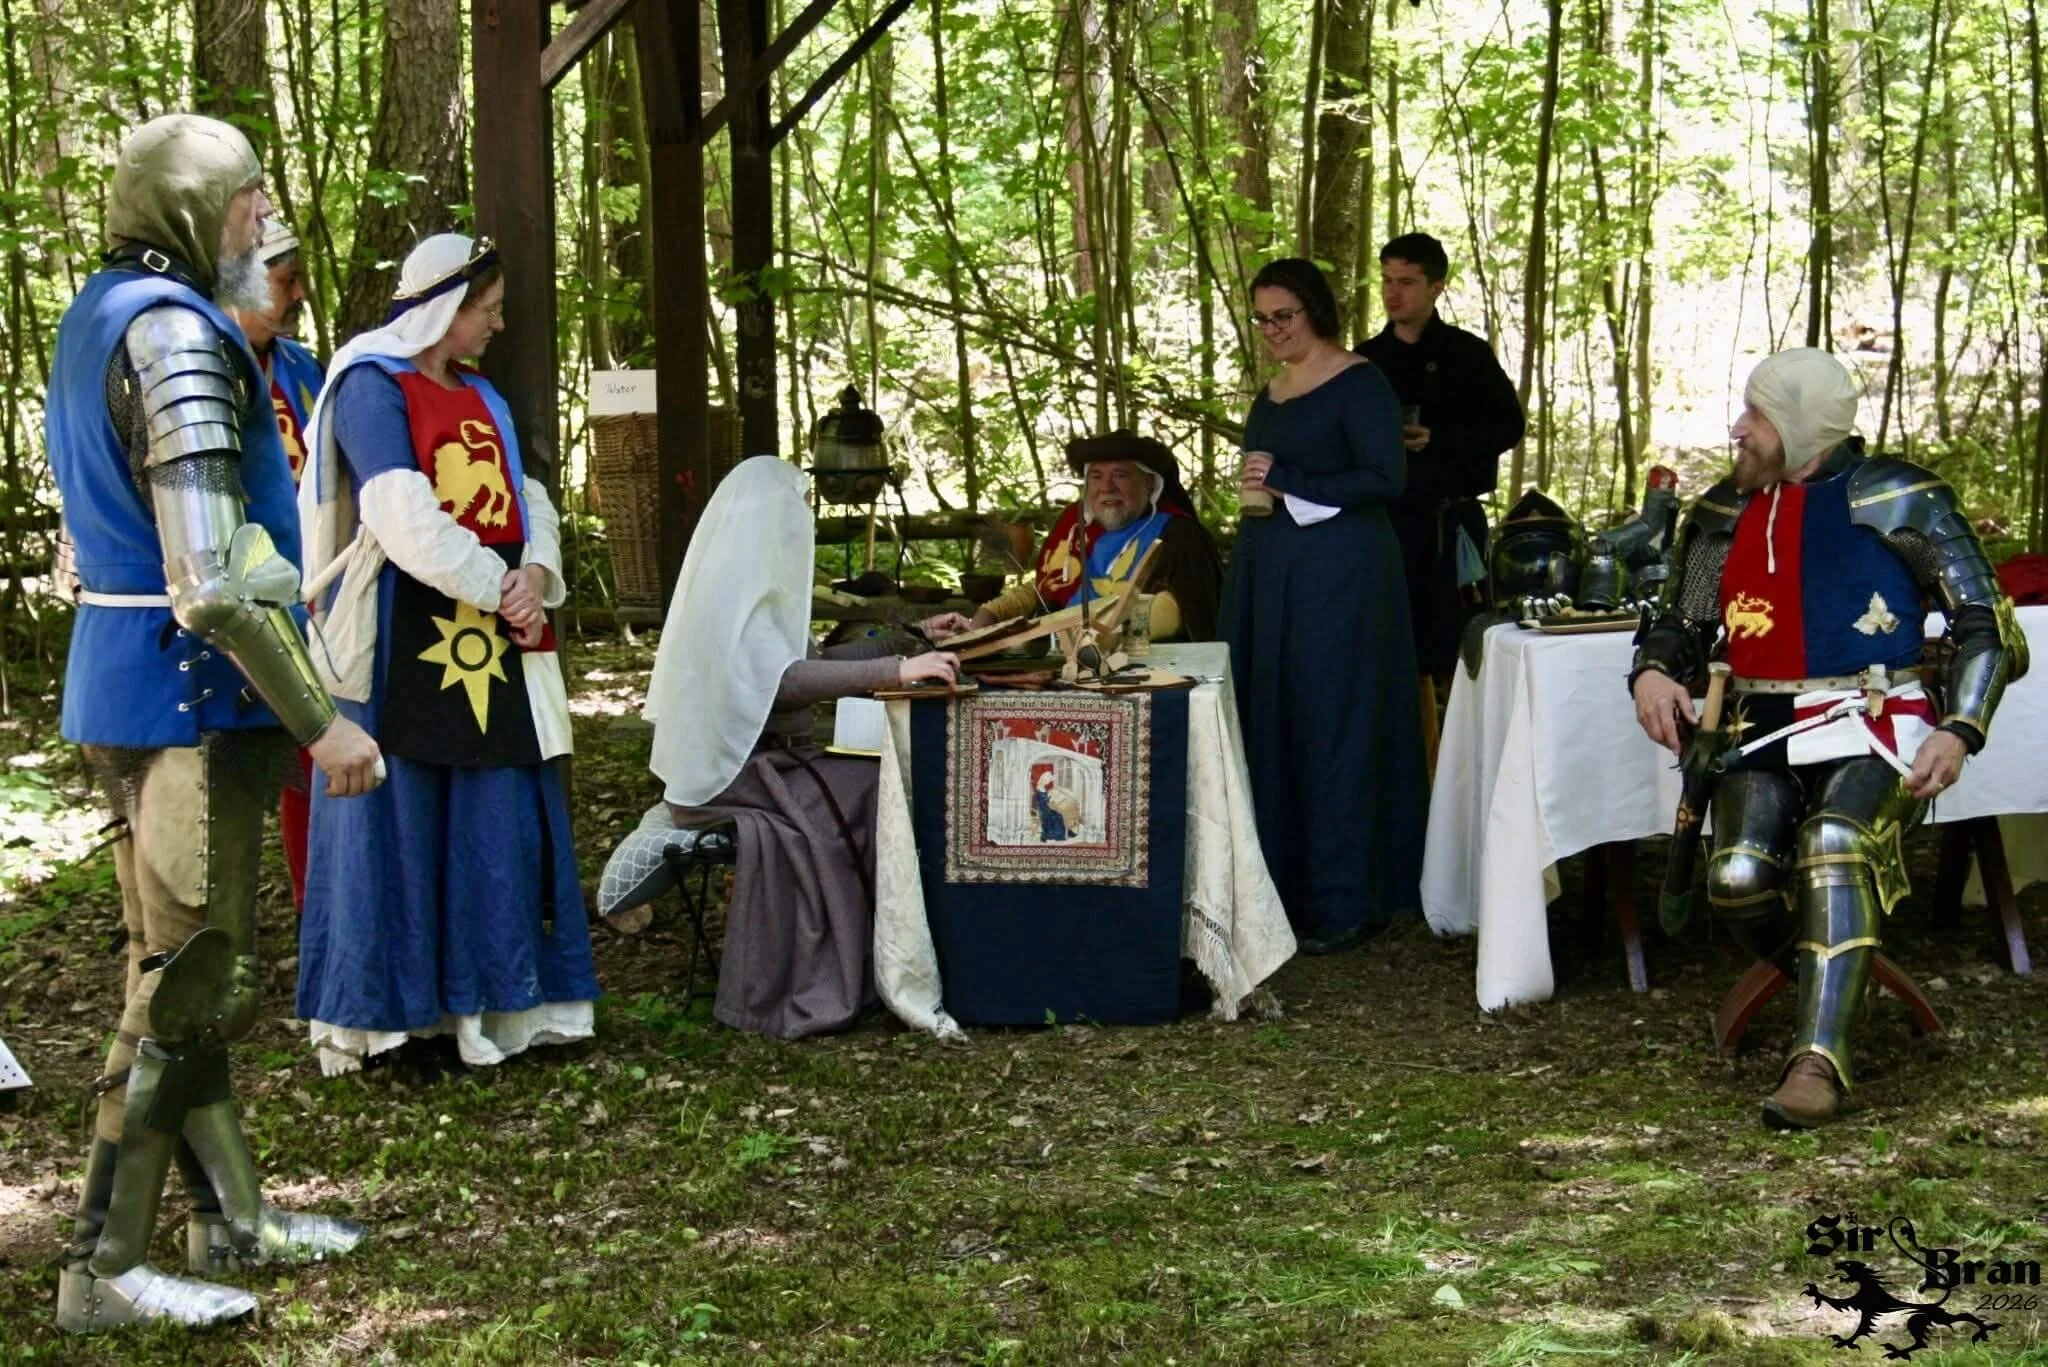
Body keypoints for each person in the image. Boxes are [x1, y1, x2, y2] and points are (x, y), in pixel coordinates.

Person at [46, 113, 379, 1333]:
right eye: (247, 202)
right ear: (195, 211)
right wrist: (322, 720)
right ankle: (105, 1265)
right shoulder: (178, 331)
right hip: (185, 689)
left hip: (127, 679)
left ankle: (228, 1213)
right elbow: (215, 578)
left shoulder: (99, 312)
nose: (262, 222)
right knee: (181, 985)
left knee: (179, 973)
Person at [1630, 347, 2027, 1129]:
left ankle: (1818, 1061)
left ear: (1799, 424)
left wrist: (1960, 726)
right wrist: (1651, 671)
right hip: (1758, 726)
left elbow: (1990, 629)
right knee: (1737, 878)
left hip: (1876, 721)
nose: (1737, 429)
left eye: (1755, 414)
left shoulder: (1902, 497)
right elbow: (1679, 624)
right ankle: (1842, 979)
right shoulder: (1723, 511)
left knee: (1837, 842)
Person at [294, 233, 600, 1078]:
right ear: (444, 309)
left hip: (494, 638)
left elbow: (528, 493)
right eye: (488, 309)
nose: (499, 324)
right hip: (400, 632)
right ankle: (389, 1021)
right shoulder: (367, 385)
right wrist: (496, 581)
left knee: (489, 817)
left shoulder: (484, 397)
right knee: (398, 818)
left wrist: (533, 570)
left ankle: (485, 1007)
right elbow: (397, 510)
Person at [645, 456, 969, 1038]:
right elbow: (788, 684)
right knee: (876, 786)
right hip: (734, 774)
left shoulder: (744, 586)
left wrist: (913, 640)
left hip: (758, 760)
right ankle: (846, 966)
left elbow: (803, 667)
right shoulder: (729, 596)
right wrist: (899, 668)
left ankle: (877, 956)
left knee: (872, 778)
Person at [1222, 258, 1427, 954]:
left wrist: (1288, 477)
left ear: (1315, 310)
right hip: (1271, 569)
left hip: (1342, 576)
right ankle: (1283, 889)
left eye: (1285, 315)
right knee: (1273, 717)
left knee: (1334, 722)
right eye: (1262, 318)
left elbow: (1383, 478)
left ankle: (1348, 897)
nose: (1273, 330)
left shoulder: (1360, 382)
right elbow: (1266, 475)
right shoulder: (1270, 392)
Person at [1357, 233, 1525, 684]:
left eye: (1407, 282)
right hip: (1383, 529)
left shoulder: (1467, 356)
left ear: (1436, 287)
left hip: (1452, 530)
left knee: (1456, 651)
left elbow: (1508, 425)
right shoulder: (1363, 362)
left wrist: (1442, 438)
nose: (1393, 292)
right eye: (1387, 280)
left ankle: (1452, 750)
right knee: (1387, 650)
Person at [231, 216, 326, 911]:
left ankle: (317, 903)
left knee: (312, 751)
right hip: (228, 601)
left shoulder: (301, 369)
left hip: (312, 591)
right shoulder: (194, 364)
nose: (297, 295)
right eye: (284, 280)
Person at [970, 431, 1223, 641]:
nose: (1107, 487)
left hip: (1147, 671)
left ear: (1149, 483)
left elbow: (1182, 616)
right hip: (1067, 666)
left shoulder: (1180, 536)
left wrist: (1089, 637)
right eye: (1096, 476)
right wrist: (992, 612)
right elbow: (1047, 588)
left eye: (1120, 475)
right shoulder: (1076, 527)